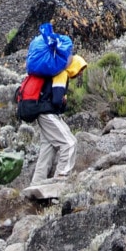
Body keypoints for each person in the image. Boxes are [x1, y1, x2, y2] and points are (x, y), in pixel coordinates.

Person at [31, 52, 88, 186]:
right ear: (74, 65)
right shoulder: (61, 74)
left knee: (48, 148)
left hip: (42, 113)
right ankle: (61, 179)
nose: (80, 74)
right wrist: (63, 102)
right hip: (48, 114)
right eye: (80, 69)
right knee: (69, 143)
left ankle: (36, 184)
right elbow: (56, 101)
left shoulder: (56, 72)